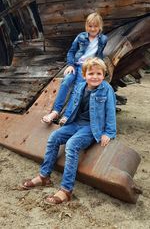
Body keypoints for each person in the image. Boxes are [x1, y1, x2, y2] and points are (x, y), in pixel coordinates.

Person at [21, 57, 116, 205]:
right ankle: (44, 176)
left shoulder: (106, 89)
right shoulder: (80, 86)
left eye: (99, 74)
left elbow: (110, 111)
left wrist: (109, 133)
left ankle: (66, 190)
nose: (95, 77)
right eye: (91, 73)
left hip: (92, 127)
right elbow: (73, 104)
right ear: (84, 75)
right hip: (76, 123)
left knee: (72, 145)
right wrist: (66, 117)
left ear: (103, 75)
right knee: (54, 137)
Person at [42, 12, 108, 125]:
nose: (92, 29)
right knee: (66, 81)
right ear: (86, 26)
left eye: (95, 26)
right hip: (76, 65)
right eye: (90, 26)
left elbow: (100, 55)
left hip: (87, 69)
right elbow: (71, 51)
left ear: (100, 26)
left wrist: (100, 69)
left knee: (78, 89)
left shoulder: (103, 39)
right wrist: (70, 65)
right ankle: (55, 112)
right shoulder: (81, 36)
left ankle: (67, 116)